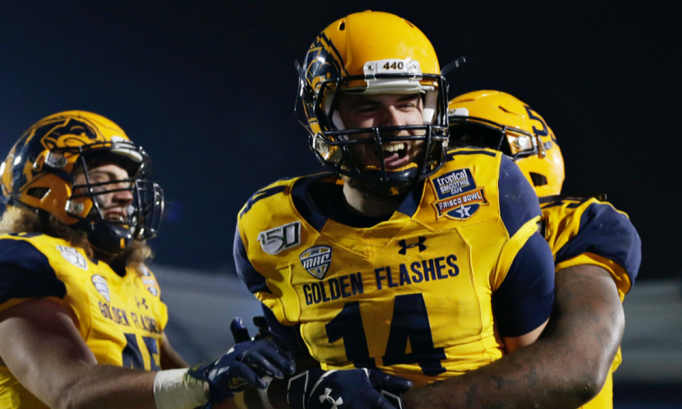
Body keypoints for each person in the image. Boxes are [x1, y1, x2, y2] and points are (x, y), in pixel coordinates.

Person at [233, 11, 556, 409]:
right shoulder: (269, 227)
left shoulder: (488, 190)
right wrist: (262, 383)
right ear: (323, 115)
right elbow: (300, 382)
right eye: (367, 105)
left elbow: (542, 378)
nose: (395, 124)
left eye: (408, 102)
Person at [0, 111, 294, 409]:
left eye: (127, 184)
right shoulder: (24, 259)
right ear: (44, 185)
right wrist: (205, 378)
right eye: (103, 179)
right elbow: (70, 389)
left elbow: (189, 393)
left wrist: (268, 381)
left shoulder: (138, 279)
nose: (127, 197)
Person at [397, 90, 641, 409]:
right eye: (445, 149)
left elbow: (578, 364)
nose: (458, 163)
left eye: (475, 145)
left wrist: (404, 405)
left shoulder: (568, 224)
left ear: (533, 155)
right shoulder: (413, 238)